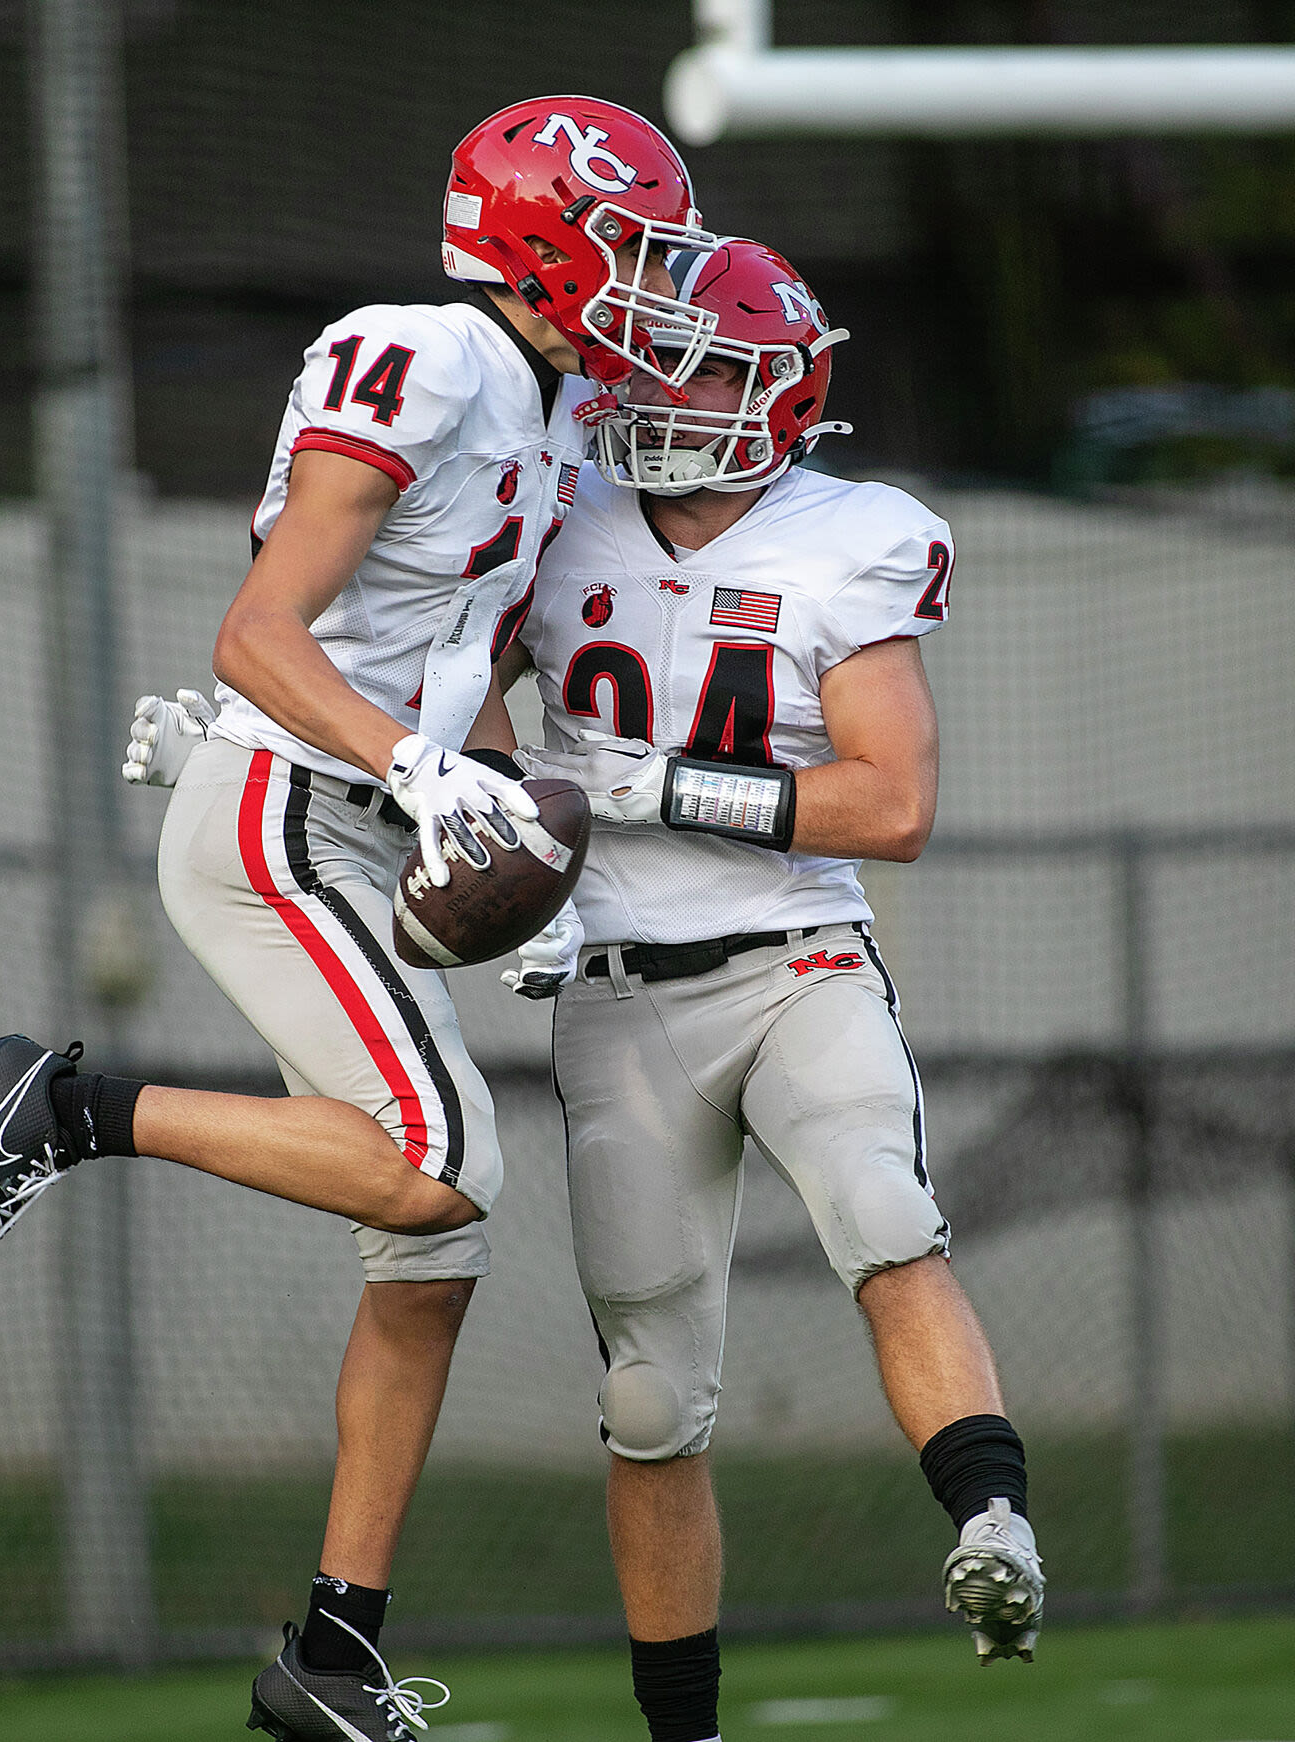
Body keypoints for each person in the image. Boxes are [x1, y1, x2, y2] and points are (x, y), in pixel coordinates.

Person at [0, 98, 716, 1741]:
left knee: (432, 1234)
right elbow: (258, 627)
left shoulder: (557, 414)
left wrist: (516, 840)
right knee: (440, 1160)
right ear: (535, 236)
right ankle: (65, 1107)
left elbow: (453, 655)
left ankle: (333, 1645)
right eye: (632, 246)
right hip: (291, 814)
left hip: (361, 813)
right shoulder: (423, 357)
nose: (652, 285)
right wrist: (409, 764)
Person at [490, 239, 1042, 1742]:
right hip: (616, 990)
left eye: (706, 365)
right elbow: (456, 685)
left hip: (795, 955)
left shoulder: (848, 534)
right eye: (653, 359)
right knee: (653, 1401)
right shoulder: (554, 507)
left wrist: (663, 786)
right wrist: (475, 805)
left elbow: (893, 804)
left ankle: (990, 1519)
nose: (668, 392)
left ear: (786, 389)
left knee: (880, 1207)